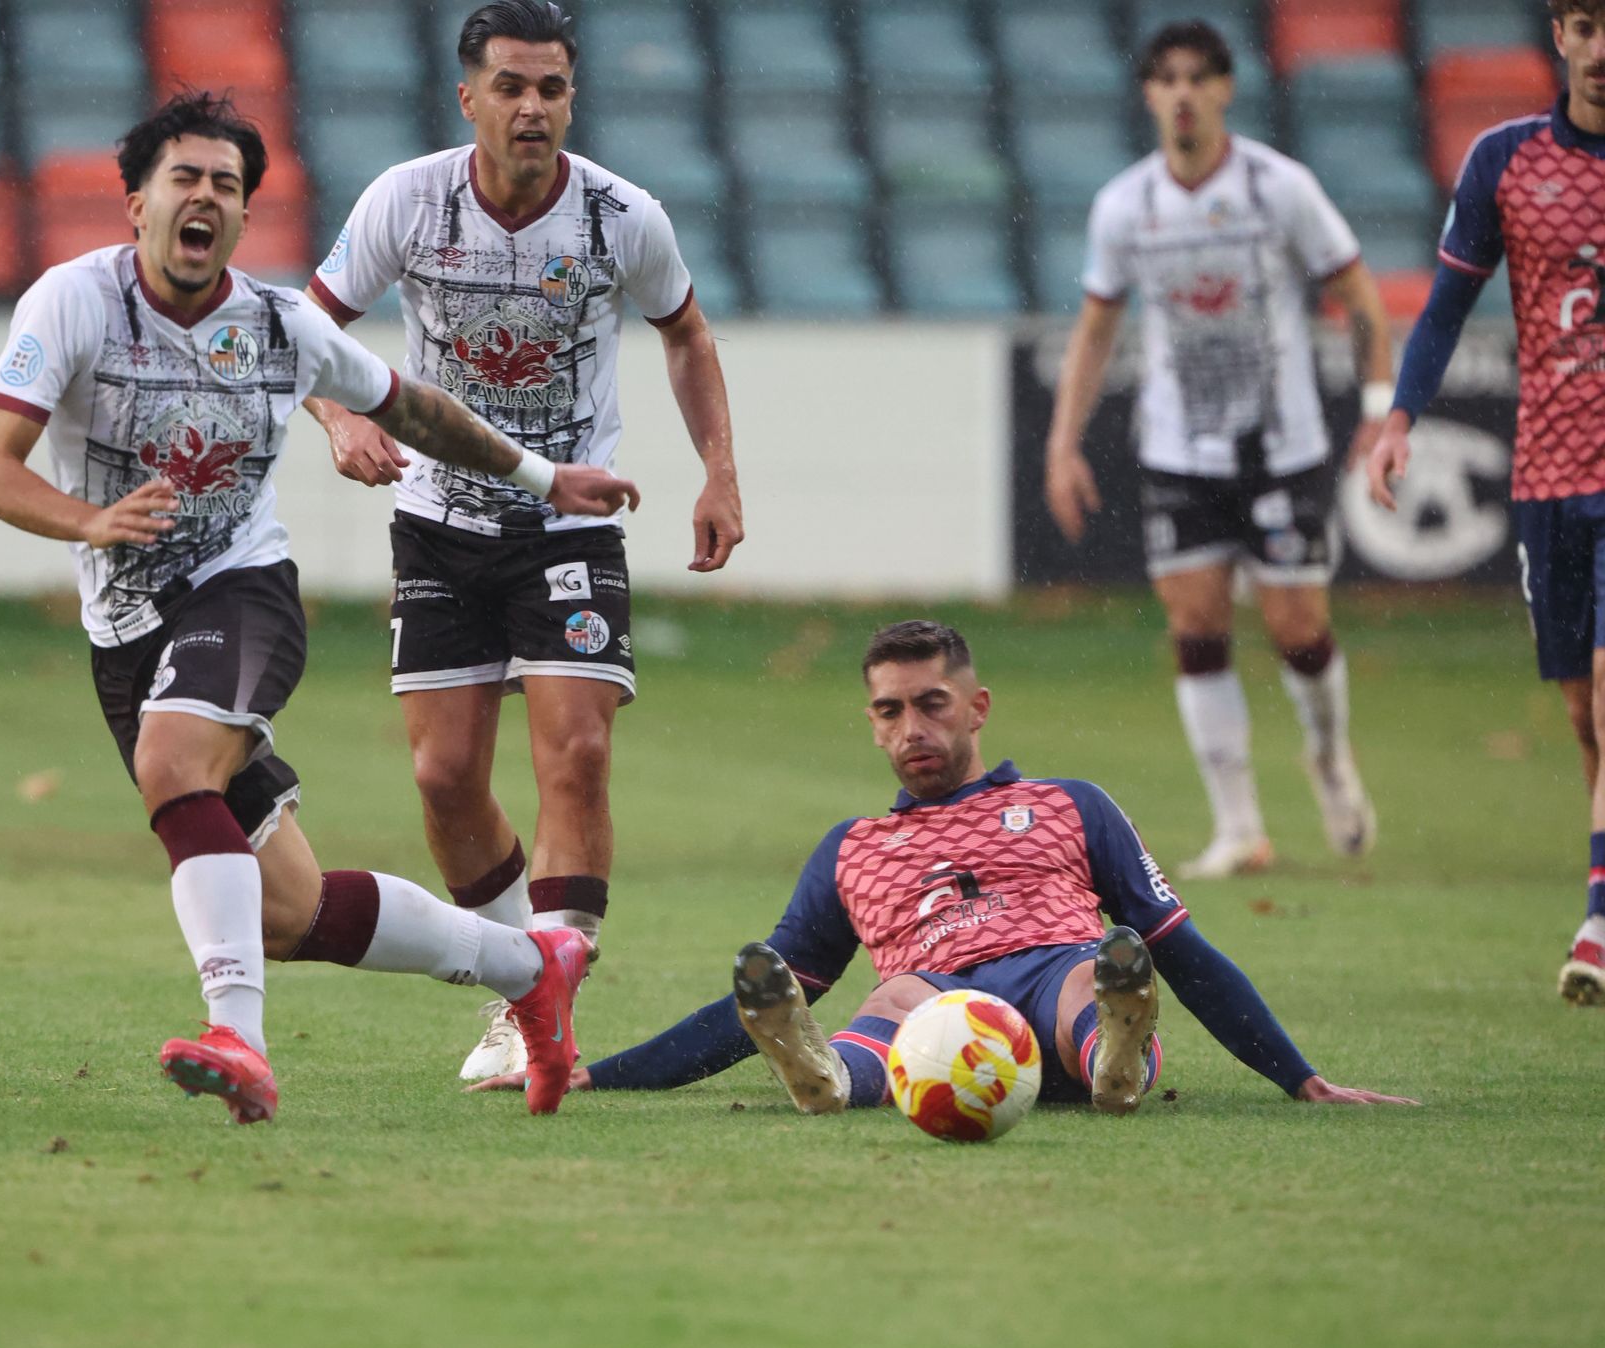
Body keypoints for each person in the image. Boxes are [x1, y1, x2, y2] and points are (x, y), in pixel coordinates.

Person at [0, 92, 641, 1121]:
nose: (204, 199)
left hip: (241, 595)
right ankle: (525, 968)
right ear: (135, 205)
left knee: (171, 764)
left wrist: (547, 479)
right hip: (125, 631)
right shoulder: (69, 305)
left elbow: (416, 409)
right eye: (183, 179)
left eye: (225, 186)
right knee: (287, 907)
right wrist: (88, 522)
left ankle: (238, 1036)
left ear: (242, 218)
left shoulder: (280, 327)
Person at [300, 0, 744, 1081]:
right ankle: (520, 983)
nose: (531, 106)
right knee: (445, 777)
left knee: (578, 754)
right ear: (468, 97)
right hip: (438, 522)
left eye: (550, 87)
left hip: (567, 520)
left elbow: (683, 330)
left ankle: (549, 979)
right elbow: (306, 327)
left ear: (570, 98)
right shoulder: (406, 201)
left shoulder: (619, 215)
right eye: (509, 85)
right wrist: (338, 417)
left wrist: (718, 472)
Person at [475, 621, 1416, 1116]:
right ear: (872, 720)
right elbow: (759, 998)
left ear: (977, 708)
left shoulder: (1072, 803)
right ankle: (828, 1077)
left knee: (1105, 967)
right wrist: (609, 1074)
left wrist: (1301, 1078)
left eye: (932, 705)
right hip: (935, 1010)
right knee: (877, 1005)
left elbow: (1184, 947)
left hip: (1055, 978)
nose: (912, 729)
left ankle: (1114, 1059)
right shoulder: (853, 848)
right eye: (890, 712)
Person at [1043, 21, 1394, 880]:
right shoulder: (1126, 206)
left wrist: (1380, 409)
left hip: (1282, 444)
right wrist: (1064, 441)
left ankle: (1326, 752)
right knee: (1196, 626)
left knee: (1296, 630)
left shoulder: (1280, 188)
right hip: (1177, 448)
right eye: (1167, 79)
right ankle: (1239, 825)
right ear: (1149, 96)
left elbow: (1360, 294)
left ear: (1226, 89)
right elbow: (1096, 329)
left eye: (1199, 77)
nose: (1184, 93)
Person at [1366, 0, 1605, 1005]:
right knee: (1583, 712)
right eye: (1587, 24)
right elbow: (1447, 302)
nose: (1602, 47)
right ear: (1557, 34)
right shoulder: (1504, 161)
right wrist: (1398, 415)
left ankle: (1596, 917)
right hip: (1546, 476)